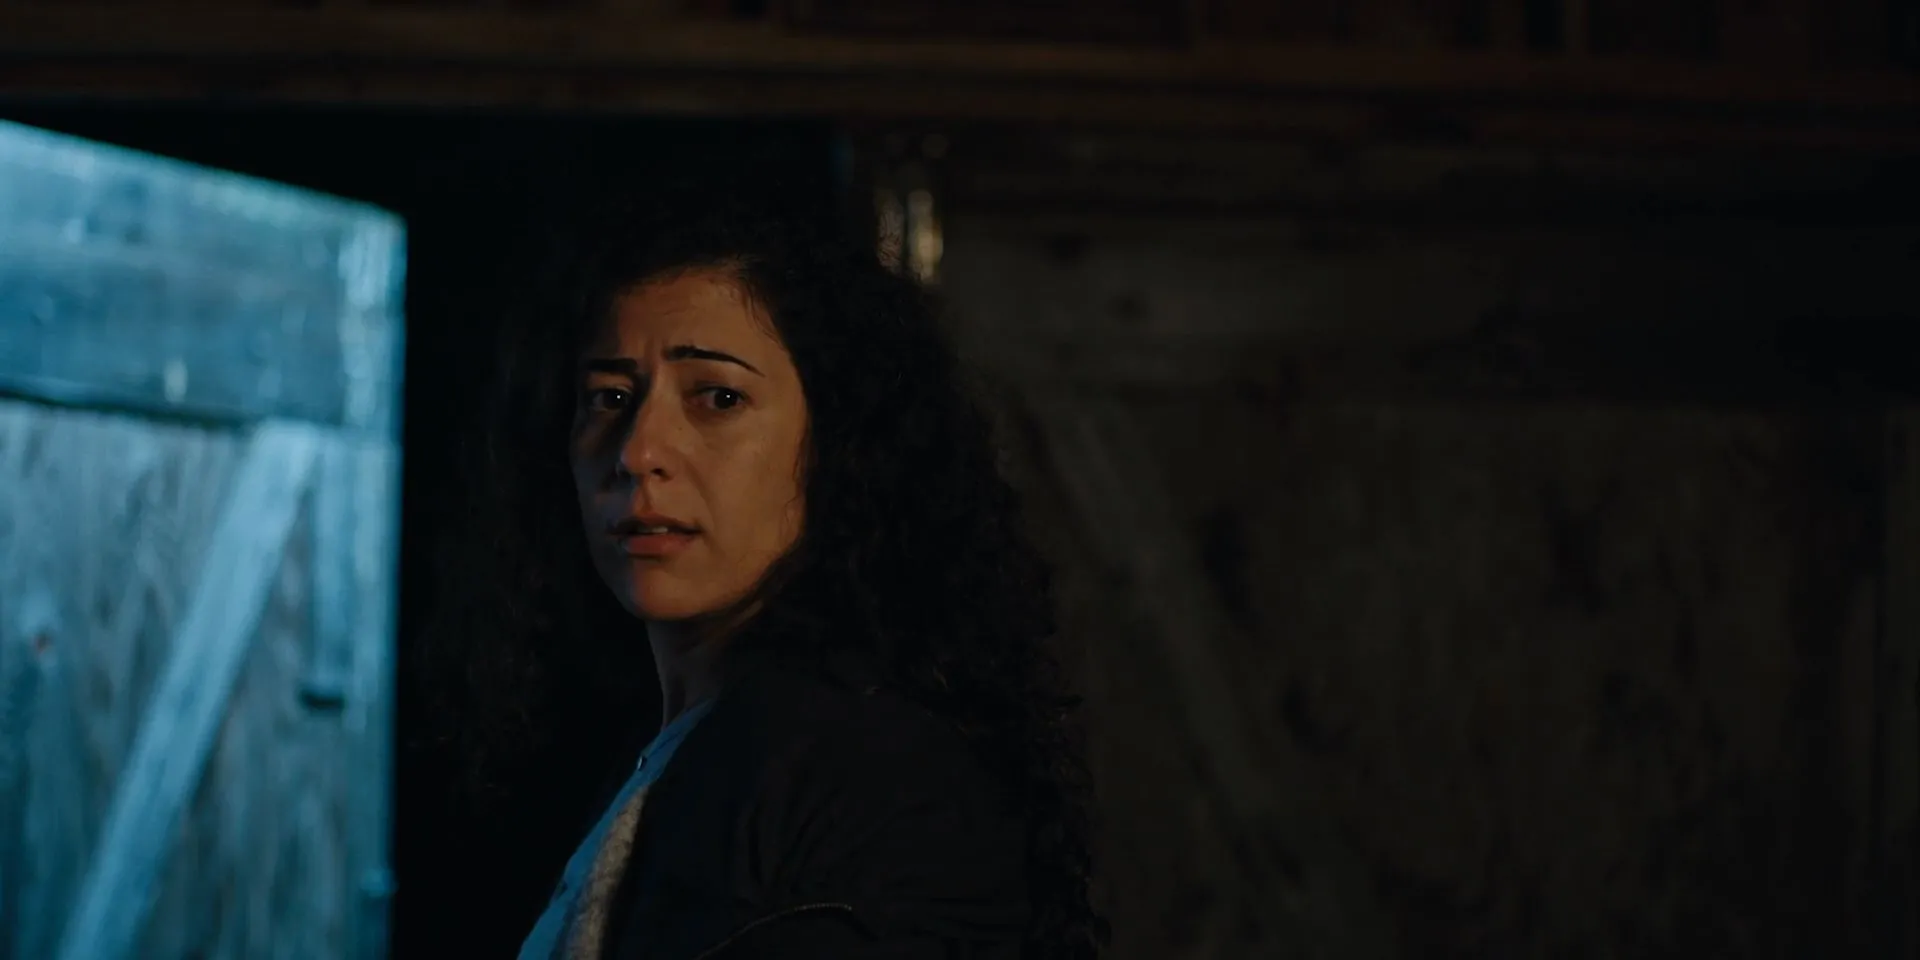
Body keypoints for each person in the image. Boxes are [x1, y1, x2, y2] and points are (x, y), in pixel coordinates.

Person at [418, 191, 1105, 960]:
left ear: (838, 443)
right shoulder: (649, 751)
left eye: (718, 397)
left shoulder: (870, 769)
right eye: (610, 398)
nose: (638, 451)